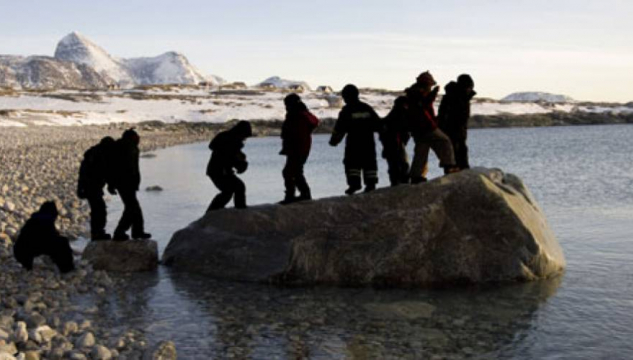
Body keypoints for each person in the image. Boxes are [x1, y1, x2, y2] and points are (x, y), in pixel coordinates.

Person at [406, 71, 458, 183]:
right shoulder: (419, 95)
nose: (430, 87)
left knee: (421, 151)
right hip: (426, 127)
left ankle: (416, 176)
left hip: (418, 130)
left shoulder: (414, 95)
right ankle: (449, 166)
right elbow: (424, 106)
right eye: (430, 85)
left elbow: (425, 103)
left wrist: (433, 94)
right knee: (445, 141)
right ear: (426, 84)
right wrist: (433, 94)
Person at [329, 84, 381, 195]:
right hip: (368, 142)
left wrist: (334, 141)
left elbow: (340, 128)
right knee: (370, 163)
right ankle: (371, 184)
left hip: (354, 143)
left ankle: (354, 185)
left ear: (347, 96)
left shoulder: (347, 110)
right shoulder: (366, 108)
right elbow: (378, 125)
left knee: (352, 164)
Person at [110, 129, 151, 241]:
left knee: (133, 208)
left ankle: (137, 232)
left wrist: (112, 184)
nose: (139, 138)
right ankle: (120, 232)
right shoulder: (127, 148)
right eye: (137, 136)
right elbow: (124, 168)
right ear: (132, 138)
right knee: (132, 208)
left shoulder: (126, 146)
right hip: (125, 183)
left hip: (126, 183)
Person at [279, 93, 320, 204]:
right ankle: (301, 194)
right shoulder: (299, 114)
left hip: (298, 149)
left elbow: (296, 134)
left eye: (287, 104)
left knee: (290, 172)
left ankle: (294, 195)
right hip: (298, 148)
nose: (286, 106)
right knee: (294, 171)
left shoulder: (298, 116)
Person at [13, 201, 75, 273]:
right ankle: (67, 269)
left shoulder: (33, 220)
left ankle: (27, 267)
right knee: (62, 243)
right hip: (25, 252)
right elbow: (50, 239)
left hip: (19, 252)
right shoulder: (46, 221)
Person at [206, 121, 252, 211]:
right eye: (244, 136)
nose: (244, 139)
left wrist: (240, 161)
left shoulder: (228, 138)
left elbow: (231, 155)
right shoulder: (230, 140)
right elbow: (229, 156)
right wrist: (239, 163)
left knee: (232, 189)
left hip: (220, 171)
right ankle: (239, 209)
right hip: (219, 171)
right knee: (234, 189)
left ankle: (214, 211)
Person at [77, 136, 115, 240]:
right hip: (93, 187)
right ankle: (97, 233)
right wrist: (111, 186)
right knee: (100, 210)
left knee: (97, 210)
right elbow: (106, 172)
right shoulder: (101, 154)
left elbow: (82, 171)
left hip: (90, 186)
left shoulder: (94, 152)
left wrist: (80, 187)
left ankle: (97, 233)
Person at [438, 74, 476, 170]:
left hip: (460, 129)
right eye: (468, 87)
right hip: (452, 129)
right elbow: (444, 114)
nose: (469, 89)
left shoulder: (463, 97)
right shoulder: (453, 97)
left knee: (460, 148)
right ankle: (454, 167)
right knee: (453, 149)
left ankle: (461, 166)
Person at [380, 96, 411, 186]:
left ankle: (396, 181)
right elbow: (404, 130)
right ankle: (402, 181)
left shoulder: (392, 115)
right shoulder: (401, 114)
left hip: (390, 143)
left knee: (394, 164)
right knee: (401, 163)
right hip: (396, 143)